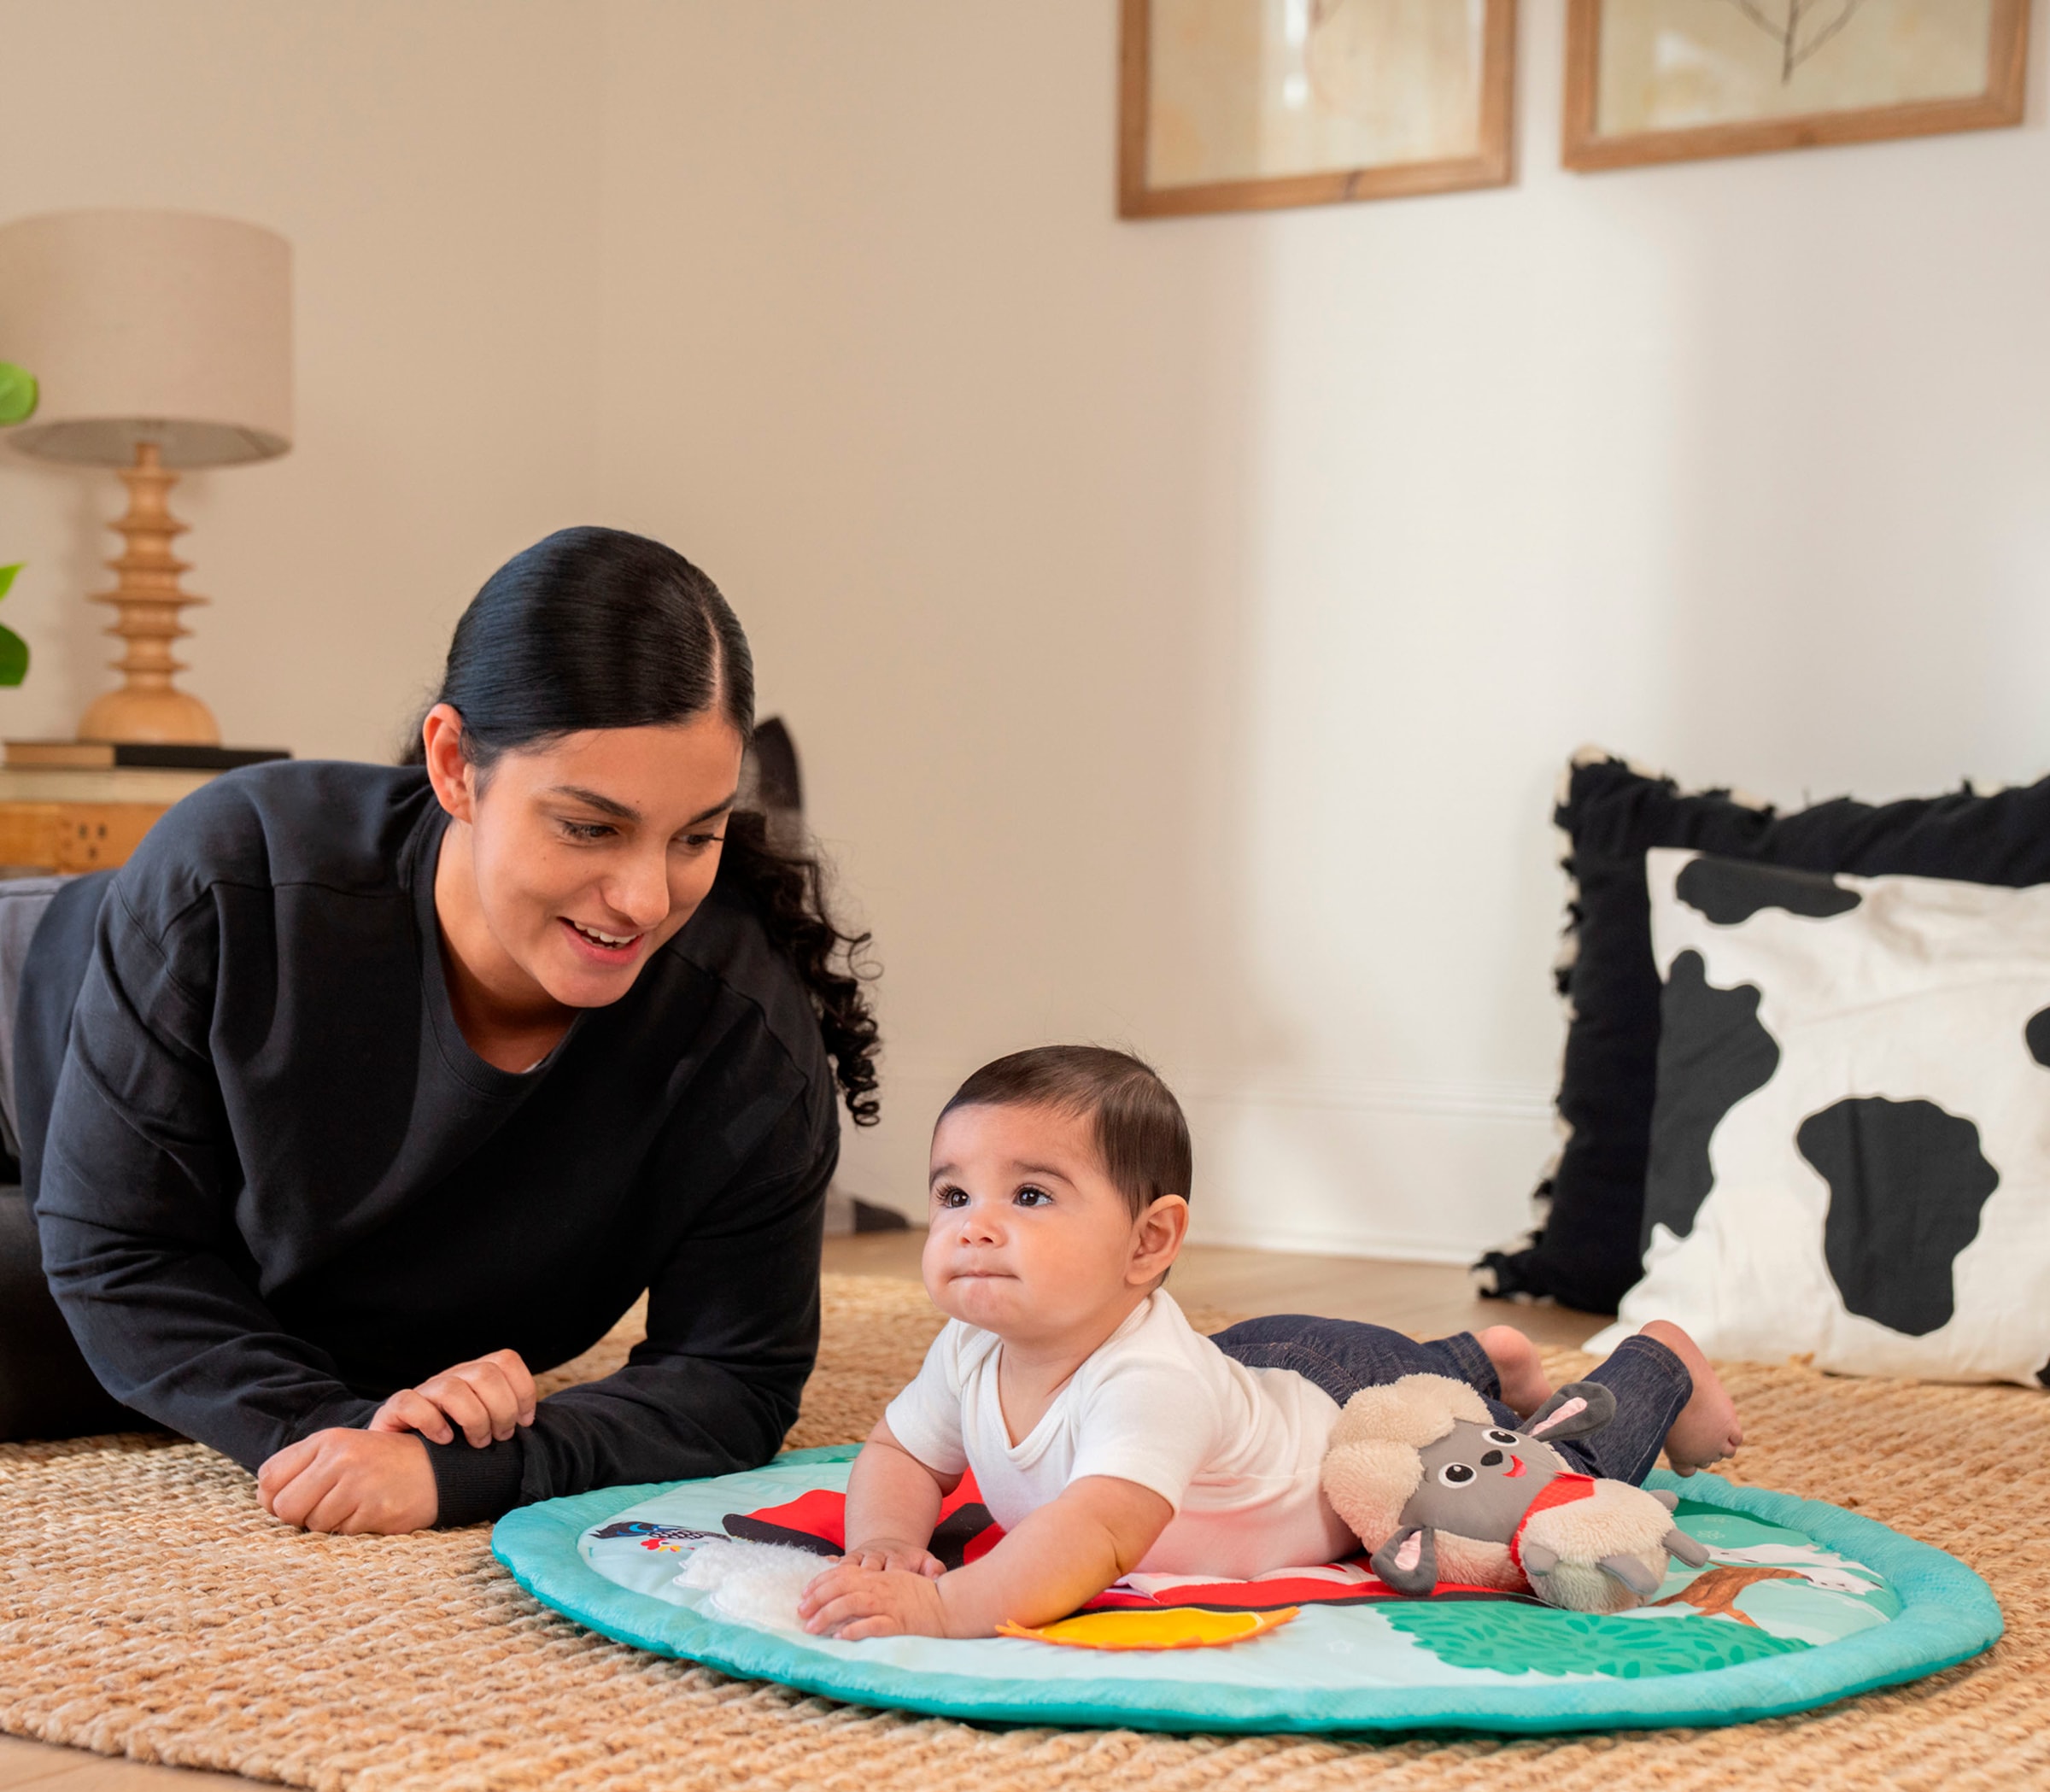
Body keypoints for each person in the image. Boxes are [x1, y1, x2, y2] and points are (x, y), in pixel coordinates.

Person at [1, 526, 877, 1535]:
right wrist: (337, 1427)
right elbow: (117, 1250)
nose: (642, 897)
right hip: (29, 1037)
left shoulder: (742, 1042)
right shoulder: (236, 869)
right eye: (589, 826)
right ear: (456, 764)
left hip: (231, 1261)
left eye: (696, 835)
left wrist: (454, 1469)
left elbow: (736, 1376)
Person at [797, 1046, 1742, 1642]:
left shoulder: (1150, 1383)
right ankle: (1479, 1356)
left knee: (1527, 1487)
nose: (973, 1226)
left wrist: (949, 1608)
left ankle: (1656, 1359)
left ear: (1149, 1242)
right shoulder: (970, 1347)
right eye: (953, 1194)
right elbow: (899, 1451)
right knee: (1329, 1369)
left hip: (1345, 1429)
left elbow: (1094, 1534)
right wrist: (885, 1542)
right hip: (1265, 1367)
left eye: (1030, 1195)